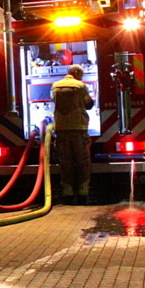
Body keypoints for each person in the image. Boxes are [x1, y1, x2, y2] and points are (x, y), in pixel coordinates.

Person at [52, 64, 95, 205]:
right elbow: (89, 104)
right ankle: (83, 193)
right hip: (78, 129)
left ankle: (68, 193)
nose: (82, 76)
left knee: (66, 162)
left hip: (61, 129)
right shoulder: (80, 86)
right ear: (76, 72)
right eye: (81, 73)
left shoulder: (55, 86)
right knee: (82, 162)